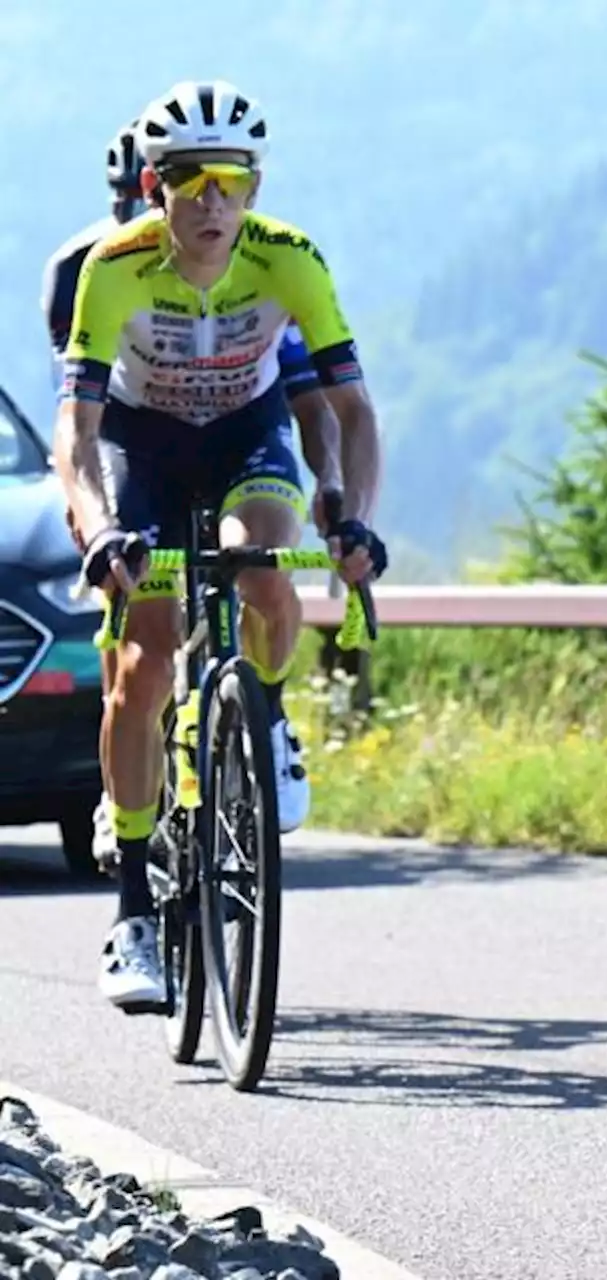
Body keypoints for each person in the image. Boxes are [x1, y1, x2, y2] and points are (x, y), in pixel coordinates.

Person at [52, 79, 386, 1012]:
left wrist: (352, 513)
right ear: (155, 186)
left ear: (254, 186)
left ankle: (265, 721)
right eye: (190, 179)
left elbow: (353, 410)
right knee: (145, 661)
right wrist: (96, 525)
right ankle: (131, 914)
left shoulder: (292, 260)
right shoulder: (111, 267)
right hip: (140, 446)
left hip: (247, 432)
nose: (211, 201)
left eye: (230, 180)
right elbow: (75, 431)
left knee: (267, 570)